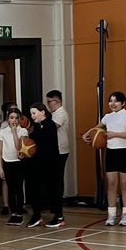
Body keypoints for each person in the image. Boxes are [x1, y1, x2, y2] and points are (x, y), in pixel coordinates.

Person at [98, 91, 126, 226]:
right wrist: (88, 134)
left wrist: (114, 134)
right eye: (110, 101)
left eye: (116, 101)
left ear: (123, 103)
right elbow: (97, 130)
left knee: (125, 184)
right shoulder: (107, 117)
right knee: (111, 184)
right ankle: (112, 214)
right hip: (111, 152)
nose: (112, 104)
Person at [26, 103, 62, 229]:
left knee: (53, 190)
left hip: (50, 163)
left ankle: (59, 216)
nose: (32, 116)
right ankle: (36, 216)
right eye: (31, 114)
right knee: (33, 189)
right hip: (37, 164)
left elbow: (45, 145)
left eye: (34, 113)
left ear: (42, 112)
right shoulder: (36, 126)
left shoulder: (50, 125)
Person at [0, 108, 29, 227]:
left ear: (20, 119)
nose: (14, 120)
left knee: (19, 188)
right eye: (11, 118)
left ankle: (20, 213)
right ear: (8, 119)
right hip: (7, 163)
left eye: (16, 118)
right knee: (11, 189)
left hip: (19, 163)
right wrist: (0, 168)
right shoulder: (3, 132)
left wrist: (15, 132)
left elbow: (19, 148)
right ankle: (13, 213)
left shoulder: (23, 131)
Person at [47, 90, 70, 228]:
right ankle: (55, 208)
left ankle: (58, 212)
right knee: (52, 181)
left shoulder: (61, 113)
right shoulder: (53, 114)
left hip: (60, 151)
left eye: (50, 102)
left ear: (58, 102)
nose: (48, 104)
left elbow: (51, 127)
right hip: (53, 152)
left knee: (57, 181)